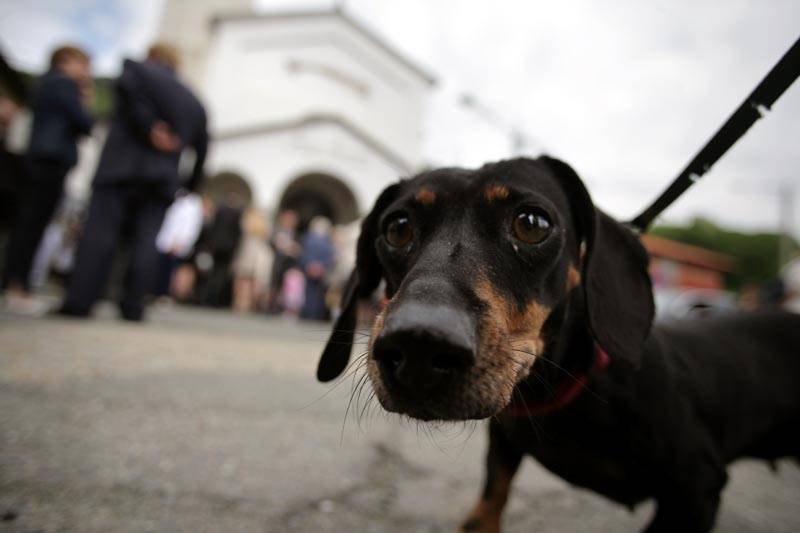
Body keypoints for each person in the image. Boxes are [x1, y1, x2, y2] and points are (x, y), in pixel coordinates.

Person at [59, 43, 208, 321]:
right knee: (146, 242)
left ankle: (81, 300)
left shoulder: (135, 70)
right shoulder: (194, 101)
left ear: (152, 56)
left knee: (101, 234)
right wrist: (187, 186)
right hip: (162, 181)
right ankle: (133, 305)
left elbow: (127, 94)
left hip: (121, 170)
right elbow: (202, 149)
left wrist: (148, 126)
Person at [3, 45, 93, 300]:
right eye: (83, 64)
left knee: (27, 222)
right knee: (34, 223)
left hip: (38, 158)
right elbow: (84, 123)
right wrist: (84, 94)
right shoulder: (64, 85)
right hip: (51, 159)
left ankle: (14, 281)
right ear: (66, 61)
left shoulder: (45, 84)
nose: (86, 71)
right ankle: (18, 284)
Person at [231, 208, 273, 313]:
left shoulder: (247, 222)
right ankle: (247, 303)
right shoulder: (263, 226)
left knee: (241, 280)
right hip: (255, 254)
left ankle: (239, 303)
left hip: (246, 252)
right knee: (249, 282)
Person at [299, 216, 335, 321]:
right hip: (319, 271)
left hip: (311, 270)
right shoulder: (327, 242)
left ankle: (309, 315)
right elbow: (330, 257)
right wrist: (321, 267)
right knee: (318, 295)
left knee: (310, 293)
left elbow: (304, 254)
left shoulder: (308, 239)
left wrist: (309, 266)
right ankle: (315, 316)